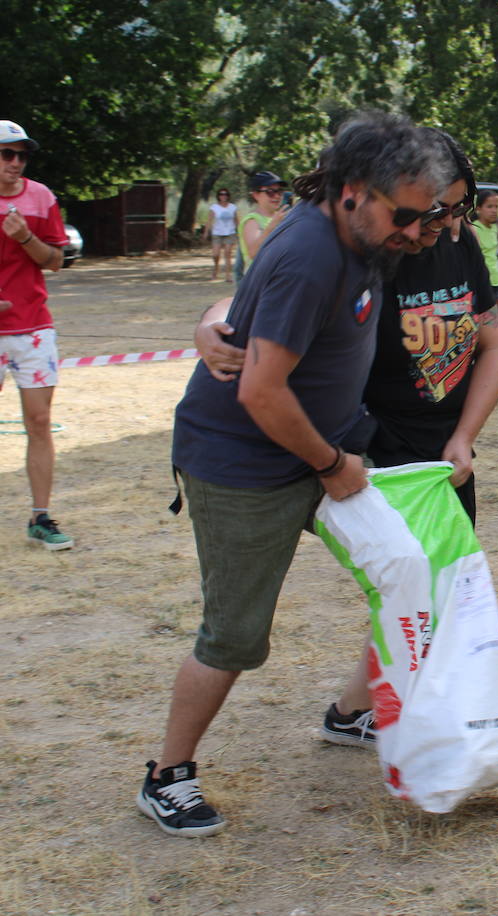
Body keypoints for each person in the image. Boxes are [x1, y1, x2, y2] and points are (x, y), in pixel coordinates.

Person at [142, 111, 447, 838]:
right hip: (246, 464)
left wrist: (212, 317)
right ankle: (166, 776)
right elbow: (259, 390)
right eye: (406, 215)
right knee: (235, 636)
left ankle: (351, 715)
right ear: (350, 192)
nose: (416, 230)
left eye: (427, 214)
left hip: (322, 449)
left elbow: (241, 307)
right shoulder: (311, 251)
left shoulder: (370, 231)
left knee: (409, 565)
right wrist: (333, 466)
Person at [199, 129, 498, 754]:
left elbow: (492, 339)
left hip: (441, 450)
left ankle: (352, 712)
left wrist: (465, 437)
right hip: (369, 439)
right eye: (432, 211)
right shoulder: (370, 245)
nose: (442, 226)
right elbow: (262, 298)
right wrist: (208, 324)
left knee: (434, 584)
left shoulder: (459, 242)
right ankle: (402, 722)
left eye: (457, 209)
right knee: (409, 580)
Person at [0, 119, 71, 550]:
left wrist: (26, 237)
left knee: (40, 422)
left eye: (22, 155)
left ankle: (40, 517)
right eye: (7, 154)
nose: (16, 163)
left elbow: (56, 261)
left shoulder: (41, 197)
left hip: (33, 328)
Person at [236, 171, 287, 281]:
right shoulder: (252, 220)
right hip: (258, 281)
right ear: (255, 195)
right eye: (270, 192)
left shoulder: (280, 218)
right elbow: (253, 253)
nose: (277, 196)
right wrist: (271, 228)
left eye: (280, 191)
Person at [469, 188, 498, 302]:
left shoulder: (494, 227)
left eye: (496, 206)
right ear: (479, 209)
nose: (494, 210)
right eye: (489, 207)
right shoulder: (474, 229)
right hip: (481, 282)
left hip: (495, 280)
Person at [204, 189, 237, 282]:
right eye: (221, 194)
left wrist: (239, 231)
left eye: (225, 194)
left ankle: (228, 275)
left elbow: (236, 220)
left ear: (228, 196)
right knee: (216, 254)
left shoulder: (232, 207)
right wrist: (206, 232)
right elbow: (209, 220)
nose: (223, 196)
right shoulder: (214, 207)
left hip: (230, 232)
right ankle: (216, 268)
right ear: (218, 196)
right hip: (217, 233)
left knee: (227, 253)